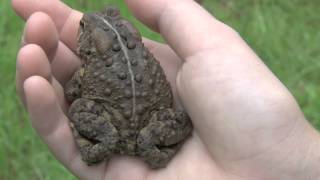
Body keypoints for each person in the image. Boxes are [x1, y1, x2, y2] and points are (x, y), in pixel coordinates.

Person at [12, 0, 320, 179]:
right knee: (181, 119)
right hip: (151, 128)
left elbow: (72, 92)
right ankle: (149, 150)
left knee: (77, 107)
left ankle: (95, 147)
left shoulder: (88, 66)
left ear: (86, 47)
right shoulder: (136, 53)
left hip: (113, 131)